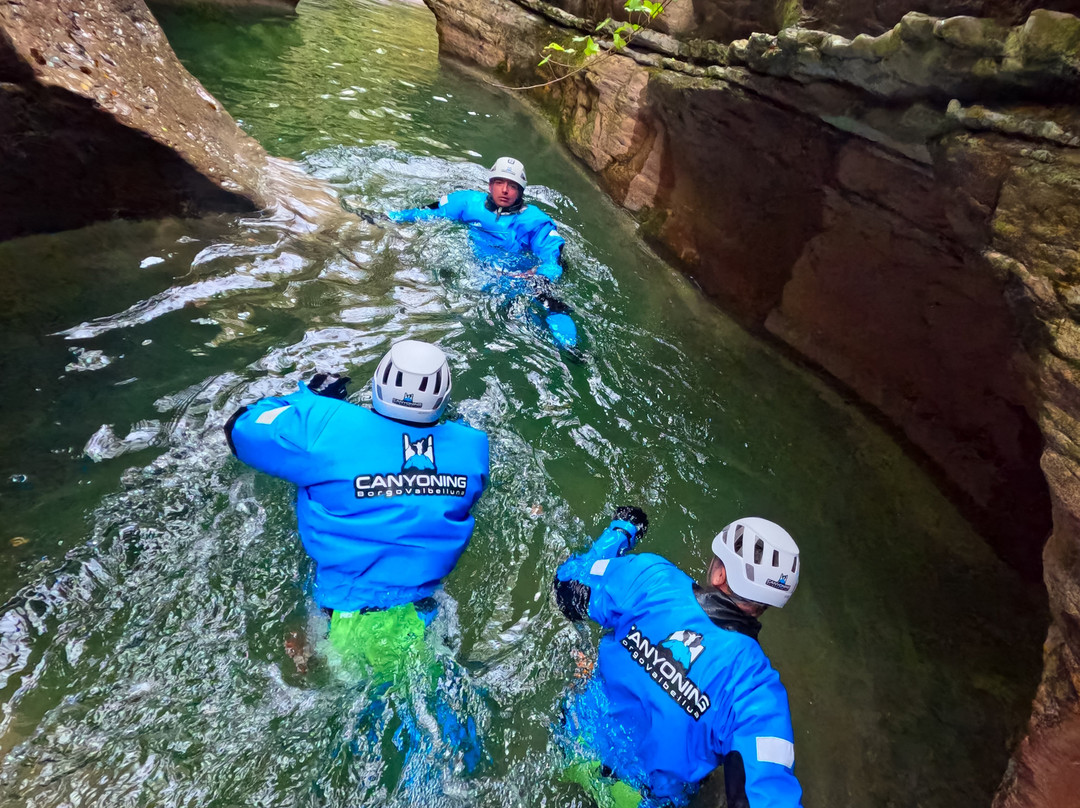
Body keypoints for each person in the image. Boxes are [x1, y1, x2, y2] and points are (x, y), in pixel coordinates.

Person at [224, 339, 490, 681]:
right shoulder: (474, 447)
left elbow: (238, 429)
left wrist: (310, 401)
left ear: (379, 384)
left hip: (347, 622)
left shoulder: (324, 426)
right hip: (429, 614)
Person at [554, 510, 803, 808]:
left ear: (720, 573)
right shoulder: (757, 690)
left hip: (572, 743)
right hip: (637, 801)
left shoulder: (652, 577)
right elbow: (766, 797)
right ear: (768, 603)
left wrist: (622, 530)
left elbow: (567, 588)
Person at [386, 157, 579, 351]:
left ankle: (572, 350)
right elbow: (427, 213)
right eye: (499, 183)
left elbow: (552, 255)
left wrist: (541, 277)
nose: (504, 190)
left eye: (512, 186)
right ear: (489, 185)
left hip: (518, 277)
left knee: (549, 302)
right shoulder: (467, 203)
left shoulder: (534, 222)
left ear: (521, 191)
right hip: (476, 272)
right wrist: (391, 218)